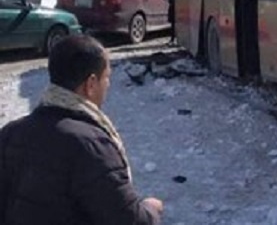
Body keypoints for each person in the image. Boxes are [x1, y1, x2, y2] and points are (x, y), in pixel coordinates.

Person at [0, 35, 164, 224]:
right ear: (91, 84)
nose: (108, 84)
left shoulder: (10, 133)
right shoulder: (92, 147)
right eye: (107, 77)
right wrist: (151, 208)